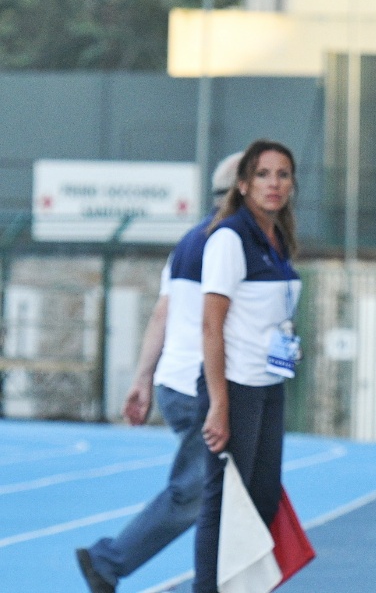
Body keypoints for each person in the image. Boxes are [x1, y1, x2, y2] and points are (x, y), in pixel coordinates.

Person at [75, 152, 242, 593]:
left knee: (222, 489)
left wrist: (143, 379)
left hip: (176, 381)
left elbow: (161, 315)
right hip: (200, 385)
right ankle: (109, 561)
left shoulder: (188, 241)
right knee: (196, 492)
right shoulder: (233, 241)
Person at [192, 140, 301, 593]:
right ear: (242, 184)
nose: (273, 184)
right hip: (234, 387)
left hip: (268, 383)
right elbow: (210, 326)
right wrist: (219, 404)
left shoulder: (277, 240)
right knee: (223, 503)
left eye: (282, 174)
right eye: (262, 174)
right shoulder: (229, 238)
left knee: (260, 498)